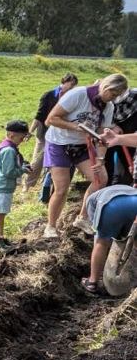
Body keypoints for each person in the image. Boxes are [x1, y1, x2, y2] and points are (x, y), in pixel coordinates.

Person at [43, 74, 129, 238]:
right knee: (62, 187)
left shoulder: (108, 107)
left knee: (100, 178)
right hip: (59, 143)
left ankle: (82, 218)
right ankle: (51, 227)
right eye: (113, 94)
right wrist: (74, 127)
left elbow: (101, 136)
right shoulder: (78, 95)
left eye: (117, 96)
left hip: (82, 145)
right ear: (106, 87)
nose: (113, 98)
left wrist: (100, 159)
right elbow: (50, 119)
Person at [25, 73, 78, 192]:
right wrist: (30, 131)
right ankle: (28, 185)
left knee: (54, 163)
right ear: (64, 81)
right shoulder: (49, 95)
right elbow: (39, 116)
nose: (72, 87)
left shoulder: (72, 97)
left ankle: (46, 187)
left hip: (61, 135)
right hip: (44, 133)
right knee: (38, 160)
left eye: (74, 85)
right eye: (71, 84)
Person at [80, 185, 137, 294]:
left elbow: (98, 233)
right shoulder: (126, 189)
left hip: (112, 206)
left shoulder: (91, 202)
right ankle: (133, 282)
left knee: (101, 243)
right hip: (133, 206)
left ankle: (92, 282)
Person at [0, 120, 32, 248]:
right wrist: (23, 170)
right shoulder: (9, 150)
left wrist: (23, 165)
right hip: (3, 186)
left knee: (3, 212)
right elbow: (9, 172)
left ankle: (1, 237)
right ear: (11, 135)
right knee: (0, 213)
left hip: (6, 186)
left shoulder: (10, 148)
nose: (22, 140)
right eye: (21, 138)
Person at [104, 88, 137, 186]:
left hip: (128, 134)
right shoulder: (107, 98)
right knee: (108, 166)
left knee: (124, 172)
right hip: (110, 133)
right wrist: (112, 125)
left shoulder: (134, 97)